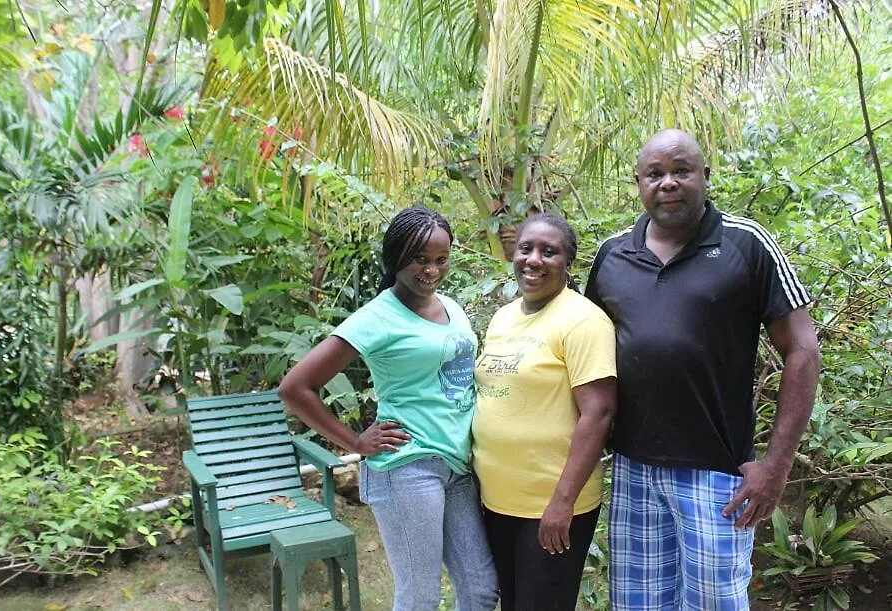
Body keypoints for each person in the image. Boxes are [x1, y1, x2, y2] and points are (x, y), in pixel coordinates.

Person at [585, 129, 820, 610]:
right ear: (639, 183)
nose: (668, 183)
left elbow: (802, 351)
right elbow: (584, 356)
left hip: (719, 476)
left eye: (681, 171)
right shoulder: (612, 255)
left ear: (705, 177)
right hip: (633, 470)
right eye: (655, 174)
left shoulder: (746, 244)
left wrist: (776, 466)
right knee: (638, 605)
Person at [278, 206, 499, 611]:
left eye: (440, 260)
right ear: (395, 256)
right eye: (419, 259)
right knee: (419, 596)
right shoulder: (377, 317)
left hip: (458, 468)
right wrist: (356, 442)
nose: (430, 270)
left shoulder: (450, 305)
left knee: (481, 589)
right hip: (408, 468)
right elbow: (296, 387)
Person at [473, 213, 618, 610]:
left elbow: (599, 413)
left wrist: (562, 503)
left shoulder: (583, 321)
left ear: (568, 263)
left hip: (551, 507)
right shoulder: (504, 317)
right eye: (526, 248)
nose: (534, 259)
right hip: (498, 502)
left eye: (548, 252)